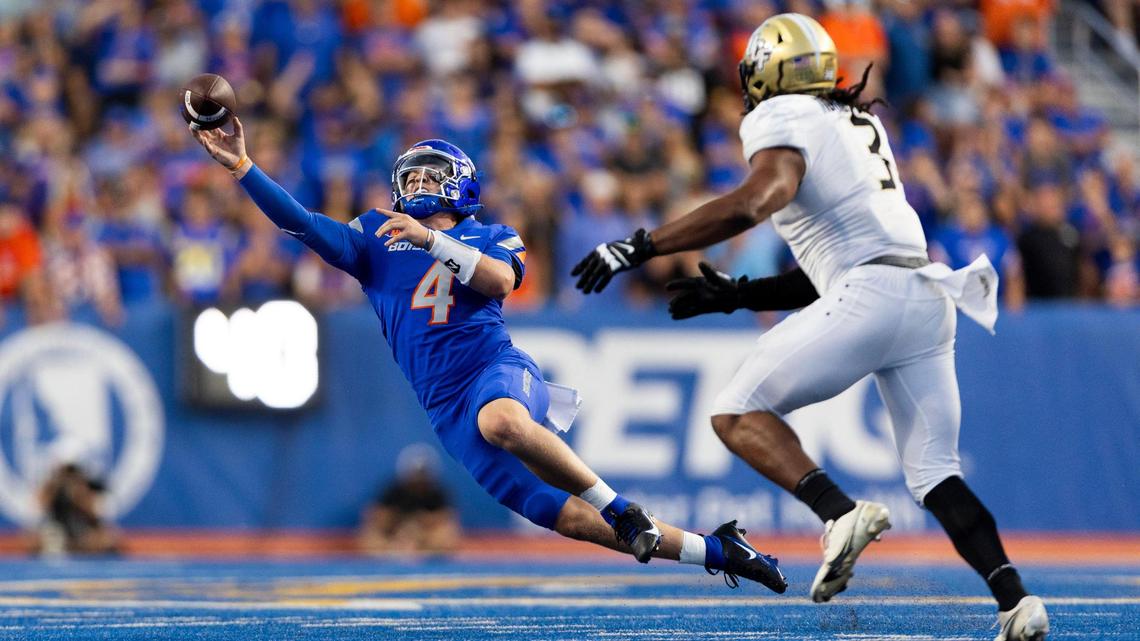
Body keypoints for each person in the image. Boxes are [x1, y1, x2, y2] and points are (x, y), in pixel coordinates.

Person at [572, 13, 1048, 641]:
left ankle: (840, 513)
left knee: (735, 412)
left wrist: (641, 244)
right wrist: (740, 295)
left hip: (875, 294)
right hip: (924, 293)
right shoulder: (855, 120)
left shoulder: (780, 116)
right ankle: (1016, 600)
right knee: (935, 471)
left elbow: (755, 200)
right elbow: (835, 261)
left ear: (769, 73)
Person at [190, 120, 786, 593]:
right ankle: (719, 549)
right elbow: (300, 223)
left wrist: (432, 240)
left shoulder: (490, 233)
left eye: (432, 177)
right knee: (569, 520)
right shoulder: (374, 236)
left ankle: (620, 504)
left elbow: (502, 283)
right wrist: (243, 166)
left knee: (501, 421)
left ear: (462, 184)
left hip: (496, 371)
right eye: (412, 178)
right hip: (445, 409)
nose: (419, 187)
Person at [359, 444, 460, 555]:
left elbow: (447, 517)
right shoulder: (393, 492)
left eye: (422, 479)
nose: (419, 483)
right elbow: (377, 516)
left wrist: (421, 524)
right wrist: (400, 526)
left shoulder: (436, 493)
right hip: (394, 536)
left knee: (446, 536)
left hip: (425, 538)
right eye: (415, 479)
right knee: (372, 538)